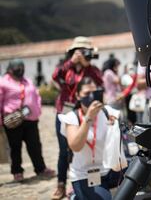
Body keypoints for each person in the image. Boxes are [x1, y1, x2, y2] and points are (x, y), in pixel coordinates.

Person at [51, 36, 103, 199]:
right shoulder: (66, 67)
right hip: (65, 111)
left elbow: (100, 83)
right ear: (73, 52)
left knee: (81, 148)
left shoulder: (92, 70)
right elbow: (54, 76)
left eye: (85, 51)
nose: (82, 54)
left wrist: (87, 65)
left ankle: (77, 183)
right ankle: (61, 185)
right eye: (79, 51)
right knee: (63, 151)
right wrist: (71, 62)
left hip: (83, 112)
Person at [58, 77, 124, 200]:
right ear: (78, 96)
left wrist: (115, 125)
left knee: (142, 170)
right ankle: (75, 195)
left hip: (109, 170)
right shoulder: (72, 117)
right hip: (84, 174)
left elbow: (123, 127)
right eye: (87, 93)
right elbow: (75, 146)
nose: (91, 96)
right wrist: (88, 118)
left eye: (95, 92)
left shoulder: (107, 112)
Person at [0, 59, 55, 182]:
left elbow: (36, 95)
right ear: (10, 69)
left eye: (22, 67)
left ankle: (40, 168)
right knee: (15, 147)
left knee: (35, 145)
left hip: (30, 119)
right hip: (13, 119)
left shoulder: (27, 81)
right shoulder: (3, 82)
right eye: (17, 67)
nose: (20, 69)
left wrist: (38, 109)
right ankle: (17, 171)